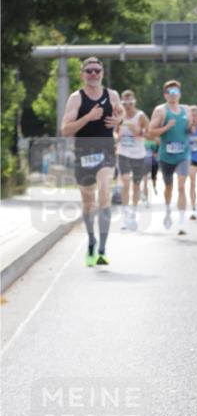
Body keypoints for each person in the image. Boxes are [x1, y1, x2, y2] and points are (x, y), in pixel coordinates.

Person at [61, 57, 124, 266]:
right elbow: (65, 130)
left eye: (97, 70)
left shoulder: (112, 95)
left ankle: (103, 250)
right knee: (88, 203)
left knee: (104, 193)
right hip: (83, 153)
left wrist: (119, 120)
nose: (94, 74)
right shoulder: (76, 99)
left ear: (102, 73)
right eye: (89, 71)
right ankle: (91, 241)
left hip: (106, 150)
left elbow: (120, 112)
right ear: (82, 74)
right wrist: (88, 117)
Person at [148, 81, 195, 236]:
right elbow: (150, 132)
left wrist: (191, 128)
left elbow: (190, 129)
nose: (173, 94)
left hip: (183, 154)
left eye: (175, 91)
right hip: (166, 155)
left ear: (180, 94)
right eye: (169, 91)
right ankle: (168, 210)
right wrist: (167, 127)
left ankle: (182, 222)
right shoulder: (161, 111)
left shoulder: (187, 110)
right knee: (169, 187)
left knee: (182, 186)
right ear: (165, 95)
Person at [117, 90, 150, 230]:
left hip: (138, 154)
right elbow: (115, 130)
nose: (127, 105)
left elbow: (149, 132)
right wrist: (116, 136)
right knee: (125, 181)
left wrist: (138, 132)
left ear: (134, 101)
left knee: (136, 185)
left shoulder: (140, 115)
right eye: (124, 103)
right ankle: (125, 215)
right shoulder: (119, 115)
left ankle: (133, 214)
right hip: (123, 152)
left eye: (130, 102)